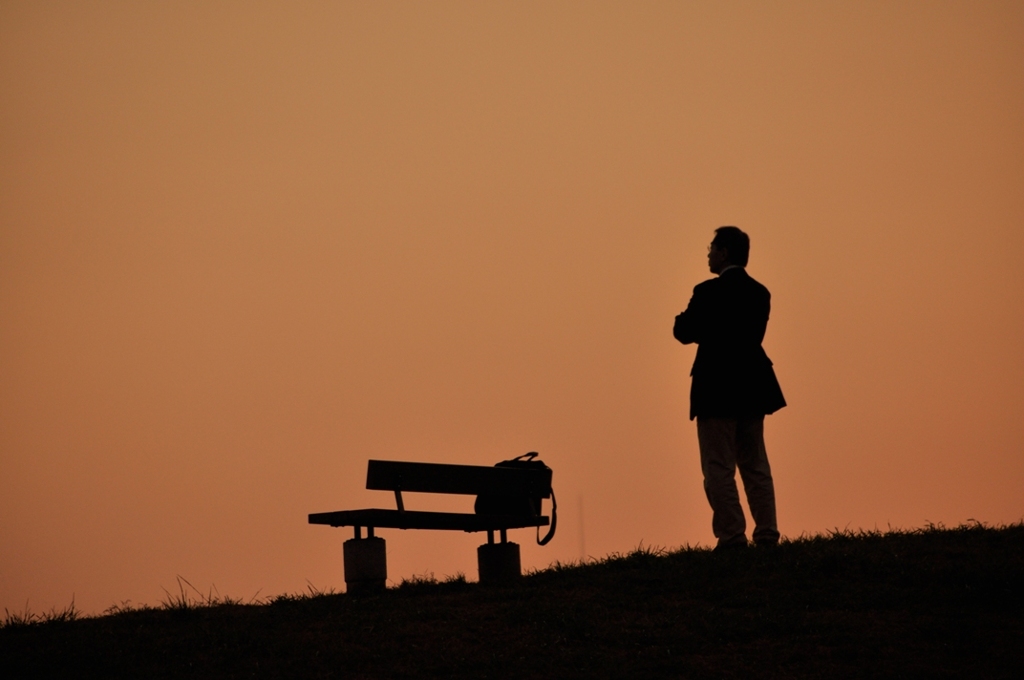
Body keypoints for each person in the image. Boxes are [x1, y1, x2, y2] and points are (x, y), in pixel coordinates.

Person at [673, 226, 786, 550]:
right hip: (752, 385)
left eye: (711, 248)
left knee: (718, 466)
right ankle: (767, 533)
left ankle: (732, 535)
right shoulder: (760, 293)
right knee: (755, 464)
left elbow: (683, 330)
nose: (708, 253)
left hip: (716, 388)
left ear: (723, 253)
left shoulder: (707, 292)